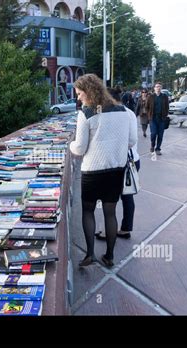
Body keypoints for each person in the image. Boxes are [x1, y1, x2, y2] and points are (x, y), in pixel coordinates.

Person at [70, 74, 137, 268]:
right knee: (110, 213)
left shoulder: (86, 113)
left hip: (92, 172)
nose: (78, 98)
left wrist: (71, 145)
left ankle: (90, 254)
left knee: (88, 211)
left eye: (80, 93)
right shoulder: (123, 110)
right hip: (116, 170)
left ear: (89, 91)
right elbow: (131, 141)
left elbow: (80, 148)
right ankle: (109, 256)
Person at [96, 87, 141, 241]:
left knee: (109, 198)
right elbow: (132, 140)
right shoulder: (130, 113)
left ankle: (106, 231)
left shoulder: (111, 114)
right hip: (132, 160)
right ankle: (125, 228)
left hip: (117, 162)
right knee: (127, 197)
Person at [146, 82, 170, 155]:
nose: (158, 88)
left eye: (159, 87)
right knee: (153, 133)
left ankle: (158, 149)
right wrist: (149, 115)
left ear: (161, 88)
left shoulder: (164, 96)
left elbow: (167, 107)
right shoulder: (150, 96)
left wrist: (165, 115)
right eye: (157, 87)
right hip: (153, 118)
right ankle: (152, 145)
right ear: (154, 88)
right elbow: (147, 107)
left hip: (161, 118)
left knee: (160, 134)